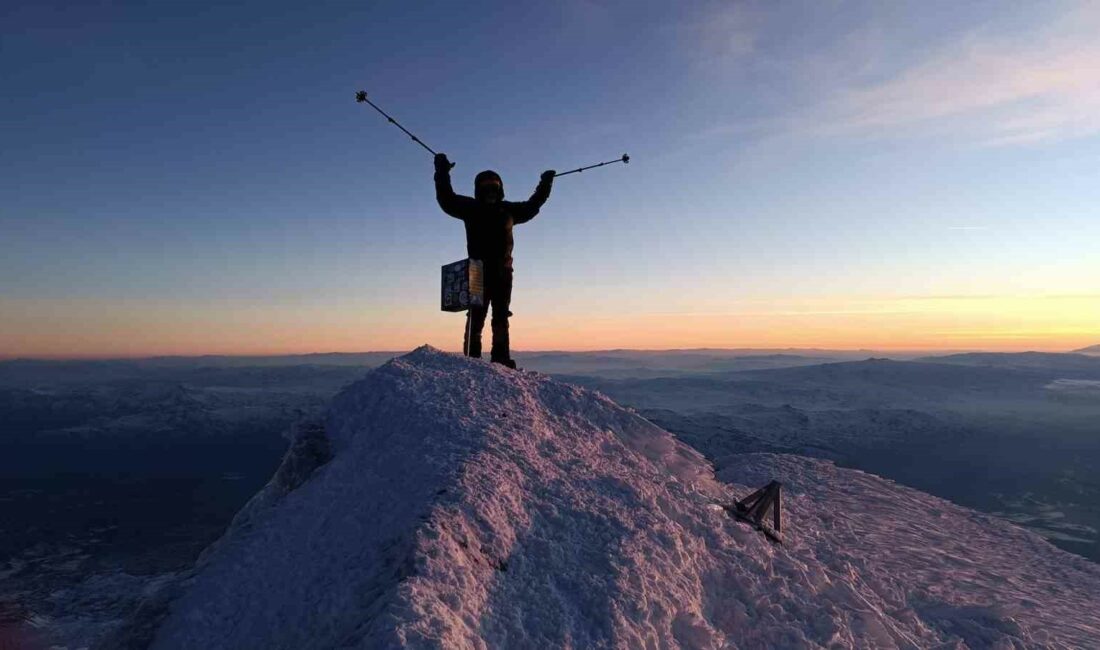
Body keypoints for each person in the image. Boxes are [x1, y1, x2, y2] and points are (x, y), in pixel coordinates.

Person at [434, 153, 554, 368]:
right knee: (476, 316)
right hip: (477, 270)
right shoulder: (471, 208)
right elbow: (446, 198)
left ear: (499, 188)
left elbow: (534, 204)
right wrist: (442, 172)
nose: (490, 190)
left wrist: (545, 184)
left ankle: (501, 359)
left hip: (502, 271)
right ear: (478, 189)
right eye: (485, 186)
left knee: (500, 316)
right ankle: (473, 359)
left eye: (493, 186)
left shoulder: (508, 210)